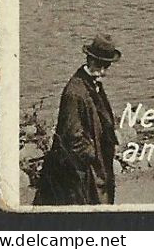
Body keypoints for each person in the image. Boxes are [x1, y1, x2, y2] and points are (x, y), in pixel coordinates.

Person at [33, 34, 121, 205]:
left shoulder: (93, 84)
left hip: (94, 166)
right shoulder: (74, 92)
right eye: (99, 65)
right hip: (79, 172)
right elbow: (73, 137)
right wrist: (93, 155)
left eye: (107, 66)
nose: (103, 71)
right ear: (89, 59)